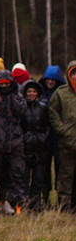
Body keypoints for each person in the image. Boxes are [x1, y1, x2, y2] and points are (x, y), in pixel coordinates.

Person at [0, 70, 27, 218]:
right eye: (2, 84)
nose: (5, 86)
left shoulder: (17, 96)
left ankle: (15, 203)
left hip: (15, 143)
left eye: (7, 84)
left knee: (16, 175)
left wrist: (12, 97)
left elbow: (23, 110)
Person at [47, 60, 76, 212]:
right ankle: (64, 207)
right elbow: (53, 114)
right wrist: (64, 130)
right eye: (73, 73)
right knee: (66, 177)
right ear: (69, 75)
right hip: (67, 145)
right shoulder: (61, 93)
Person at [21, 80, 50, 211]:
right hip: (26, 148)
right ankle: (26, 203)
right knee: (25, 179)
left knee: (38, 179)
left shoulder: (43, 108)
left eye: (34, 91)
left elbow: (48, 125)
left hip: (40, 148)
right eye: (29, 92)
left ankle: (36, 204)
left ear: (37, 93)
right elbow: (19, 126)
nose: (31, 94)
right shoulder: (21, 108)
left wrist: (43, 137)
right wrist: (24, 138)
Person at [40, 65, 66, 207]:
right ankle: (45, 196)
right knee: (45, 169)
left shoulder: (62, 94)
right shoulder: (41, 93)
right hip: (45, 137)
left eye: (53, 80)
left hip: (58, 137)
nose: (50, 82)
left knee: (60, 168)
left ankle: (61, 198)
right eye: (48, 79)